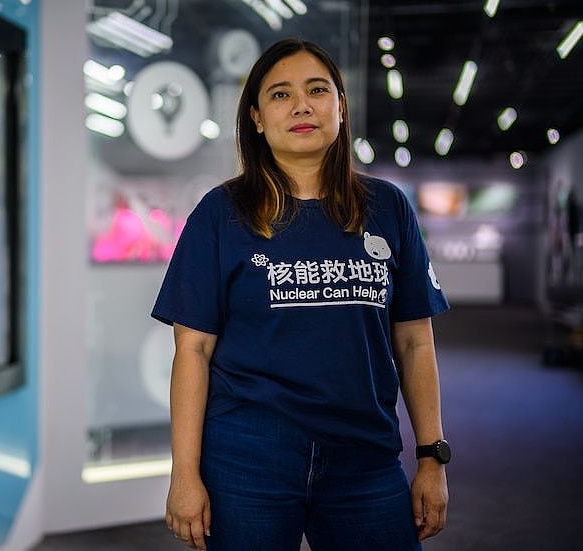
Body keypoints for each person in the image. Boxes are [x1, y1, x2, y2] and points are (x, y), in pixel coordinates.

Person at [151, 38, 451, 551]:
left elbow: (415, 343)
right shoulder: (220, 214)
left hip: (365, 454)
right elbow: (192, 351)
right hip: (249, 455)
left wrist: (431, 457)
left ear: (340, 107)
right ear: (257, 118)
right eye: (280, 95)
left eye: (317, 90)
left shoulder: (388, 208)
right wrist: (184, 475)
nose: (301, 106)